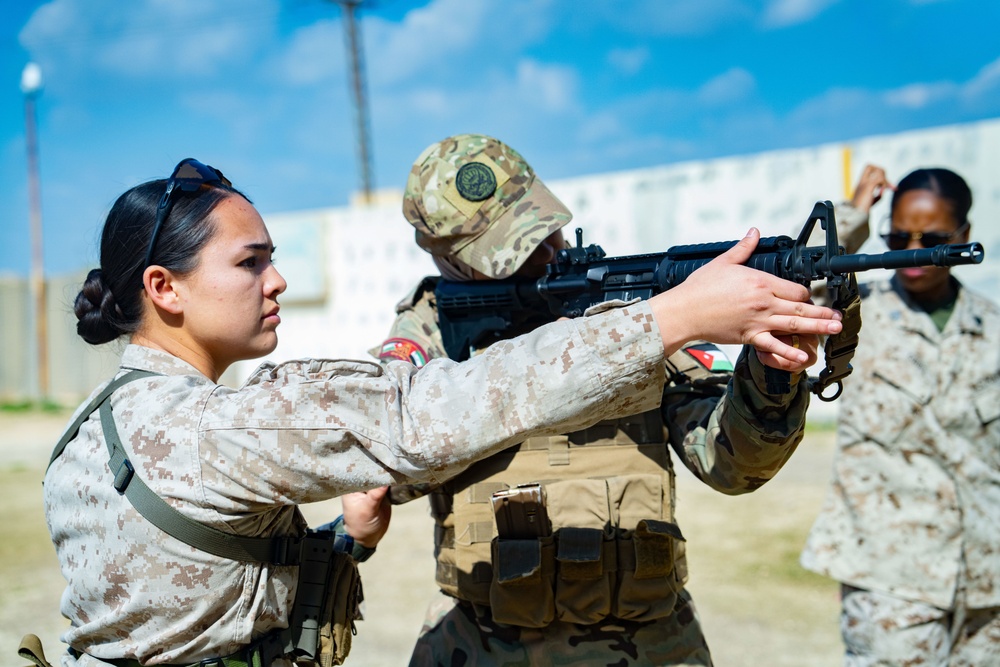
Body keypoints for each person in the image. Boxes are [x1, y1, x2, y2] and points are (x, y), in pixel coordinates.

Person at [31, 157, 841, 667]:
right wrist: (675, 316)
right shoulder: (215, 422)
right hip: (489, 635)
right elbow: (412, 420)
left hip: (644, 633)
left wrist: (349, 538)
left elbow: (214, 576)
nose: (276, 282)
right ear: (163, 289)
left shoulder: (101, 425)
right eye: (252, 262)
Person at [372, 134, 832, 666]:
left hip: (650, 645)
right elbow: (387, 475)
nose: (546, 255)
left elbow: (728, 464)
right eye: (511, 251)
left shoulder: (630, 302)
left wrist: (769, 378)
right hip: (484, 645)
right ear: (447, 261)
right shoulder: (428, 334)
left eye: (544, 230)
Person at [800, 165, 1000, 666]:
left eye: (930, 237)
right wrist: (854, 216)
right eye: (897, 235)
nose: (912, 249)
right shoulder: (850, 310)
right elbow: (795, 275)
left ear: (964, 236)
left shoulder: (993, 327)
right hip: (888, 578)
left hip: (987, 582)